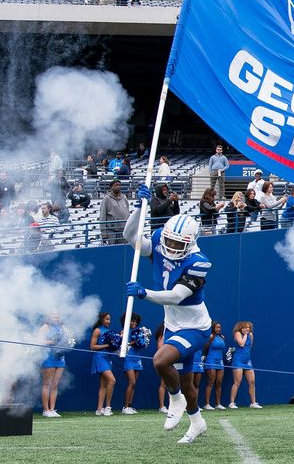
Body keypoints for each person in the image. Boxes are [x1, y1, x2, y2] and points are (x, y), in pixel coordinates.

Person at [124, 184, 213, 443]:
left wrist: (144, 293)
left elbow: (176, 295)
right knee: (186, 381)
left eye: (178, 243)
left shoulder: (198, 263)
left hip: (196, 327)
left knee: (160, 361)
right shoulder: (161, 239)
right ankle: (197, 422)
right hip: (173, 323)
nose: (172, 246)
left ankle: (176, 401)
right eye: (169, 241)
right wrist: (139, 209)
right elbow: (130, 237)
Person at [39, 313, 66, 418]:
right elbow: (38, 341)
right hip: (48, 356)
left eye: (58, 315)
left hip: (60, 357)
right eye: (54, 315)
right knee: (47, 384)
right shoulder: (45, 327)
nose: (56, 317)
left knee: (55, 384)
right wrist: (52, 342)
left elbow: (68, 339)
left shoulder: (63, 327)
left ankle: (52, 408)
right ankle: (46, 410)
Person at [229, 321, 261, 409]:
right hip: (238, 360)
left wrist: (249, 335)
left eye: (248, 327)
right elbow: (242, 344)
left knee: (252, 382)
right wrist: (246, 335)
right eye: (245, 327)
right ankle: (232, 403)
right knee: (237, 382)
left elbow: (250, 346)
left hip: (247, 360)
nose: (247, 329)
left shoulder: (250, 335)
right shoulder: (237, 333)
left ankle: (253, 403)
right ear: (240, 328)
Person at [89, 312, 116, 416]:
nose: (109, 321)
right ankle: (108, 407)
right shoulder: (97, 330)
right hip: (100, 358)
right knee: (112, 380)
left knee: (103, 384)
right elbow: (92, 347)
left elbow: (111, 346)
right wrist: (107, 345)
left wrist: (114, 345)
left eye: (109, 319)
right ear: (101, 320)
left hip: (108, 358)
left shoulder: (109, 331)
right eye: (106, 319)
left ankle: (99, 409)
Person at [121, 313, 143, 415]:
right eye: (132, 321)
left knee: (134, 384)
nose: (134, 323)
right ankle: (125, 407)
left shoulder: (138, 332)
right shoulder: (124, 331)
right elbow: (121, 344)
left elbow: (141, 343)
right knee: (132, 382)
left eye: (135, 321)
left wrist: (142, 341)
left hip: (137, 358)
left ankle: (129, 406)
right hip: (128, 358)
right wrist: (133, 342)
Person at [203, 321, 226, 410]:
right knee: (211, 382)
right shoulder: (210, 337)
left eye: (219, 327)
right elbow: (205, 348)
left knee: (219, 383)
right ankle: (207, 404)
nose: (219, 329)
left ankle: (218, 404)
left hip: (220, 361)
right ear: (213, 328)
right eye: (217, 327)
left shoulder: (222, 337)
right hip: (211, 360)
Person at [99, 179, 130, 245]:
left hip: (123, 230)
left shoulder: (124, 197)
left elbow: (127, 212)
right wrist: (104, 234)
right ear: (111, 187)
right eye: (116, 185)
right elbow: (102, 216)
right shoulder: (107, 199)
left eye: (119, 185)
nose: (118, 187)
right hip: (112, 231)